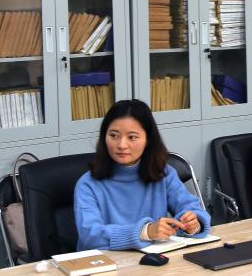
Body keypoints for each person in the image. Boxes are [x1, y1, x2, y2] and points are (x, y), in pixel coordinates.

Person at [74, 99, 210, 251]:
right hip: (104, 261)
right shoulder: (88, 184)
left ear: (148, 140)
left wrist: (193, 224)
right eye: (113, 135)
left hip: (152, 259)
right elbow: (90, 236)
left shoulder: (164, 174)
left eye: (132, 137)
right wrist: (145, 232)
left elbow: (193, 208)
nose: (121, 145)